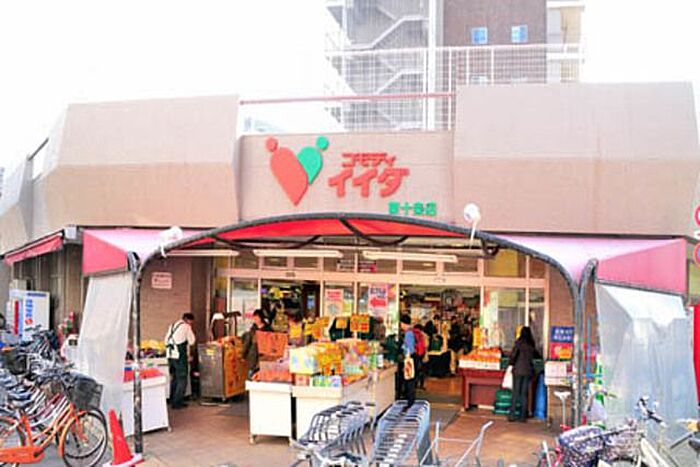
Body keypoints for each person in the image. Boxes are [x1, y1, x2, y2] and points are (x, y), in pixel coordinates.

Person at [507, 326, 541, 422]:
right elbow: (537, 356)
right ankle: (522, 417)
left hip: (518, 371)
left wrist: (510, 364)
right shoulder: (531, 344)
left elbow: (513, 356)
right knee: (524, 394)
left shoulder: (518, 343)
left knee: (515, 393)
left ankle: (512, 415)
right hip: (528, 371)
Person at [165, 312, 196, 409]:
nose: (191, 324)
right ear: (187, 320)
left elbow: (166, 340)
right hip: (179, 357)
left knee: (174, 378)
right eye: (191, 322)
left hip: (170, 356)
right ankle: (177, 402)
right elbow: (192, 341)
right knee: (182, 379)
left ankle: (172, 399)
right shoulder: (186, 327)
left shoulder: (172, 325)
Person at [242, 309, 272, 378]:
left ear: (261, 318)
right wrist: (244, 355)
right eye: (254, 318)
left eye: (257, 318)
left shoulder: (268, 329)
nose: (255, 320)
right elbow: (247, 343)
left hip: (264, 357)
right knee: (251, 376)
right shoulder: (252, 330)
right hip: (253, 357)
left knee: (262, 377)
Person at [399, 314, 417, 409]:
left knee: (409, 379)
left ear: (404, 323)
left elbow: (410, 348)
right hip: (411, 358)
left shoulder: (408, 334)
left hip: (409, 359)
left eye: (401, 323)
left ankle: (410, 401)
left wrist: (407, 359)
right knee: (410, 379)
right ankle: (410, 399)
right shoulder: (411, 332)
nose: (401, 325)